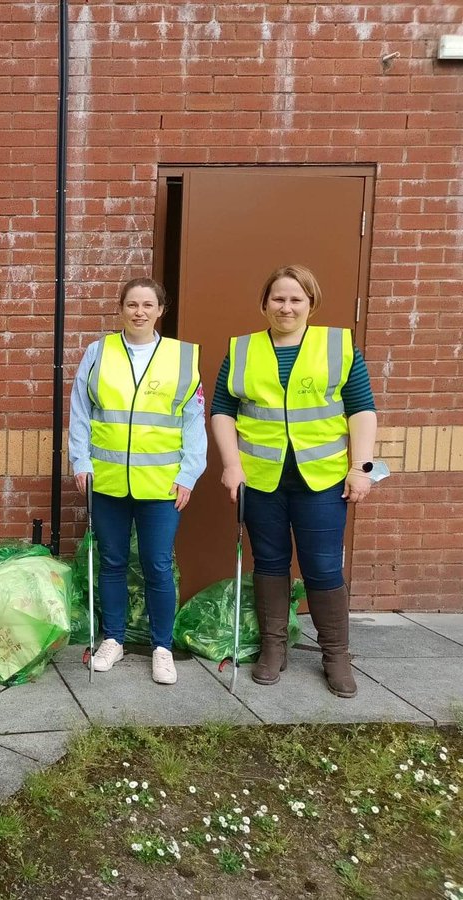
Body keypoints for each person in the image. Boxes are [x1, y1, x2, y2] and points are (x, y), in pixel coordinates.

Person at [210, 264, 377, 699]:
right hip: (262, 477)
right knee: (269, 563)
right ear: (264, 304)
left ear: (310, 303)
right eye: (278, 299)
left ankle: (336, 655)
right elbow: (222, 410)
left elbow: (361, 408)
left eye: (295, 299)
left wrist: (361, 466)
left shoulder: (337, 345)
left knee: (323, 566)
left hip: (320, 478)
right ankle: (273, 648)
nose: (286, 307)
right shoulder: (242, 350)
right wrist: (231, 464)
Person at [69, 277, 206, 685]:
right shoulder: (98, 352)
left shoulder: (182, 358)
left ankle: (162, 647)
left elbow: (193, 421)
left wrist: (189, 473)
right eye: (132, 304)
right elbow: (81, 411)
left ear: (161, 310)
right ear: (121, 309)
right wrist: (80, 460)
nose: (139, 312)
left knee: (157, 564)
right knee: (111, 562)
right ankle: (113, 639)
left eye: (148, 304)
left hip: (162, 485)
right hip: (107, 480)